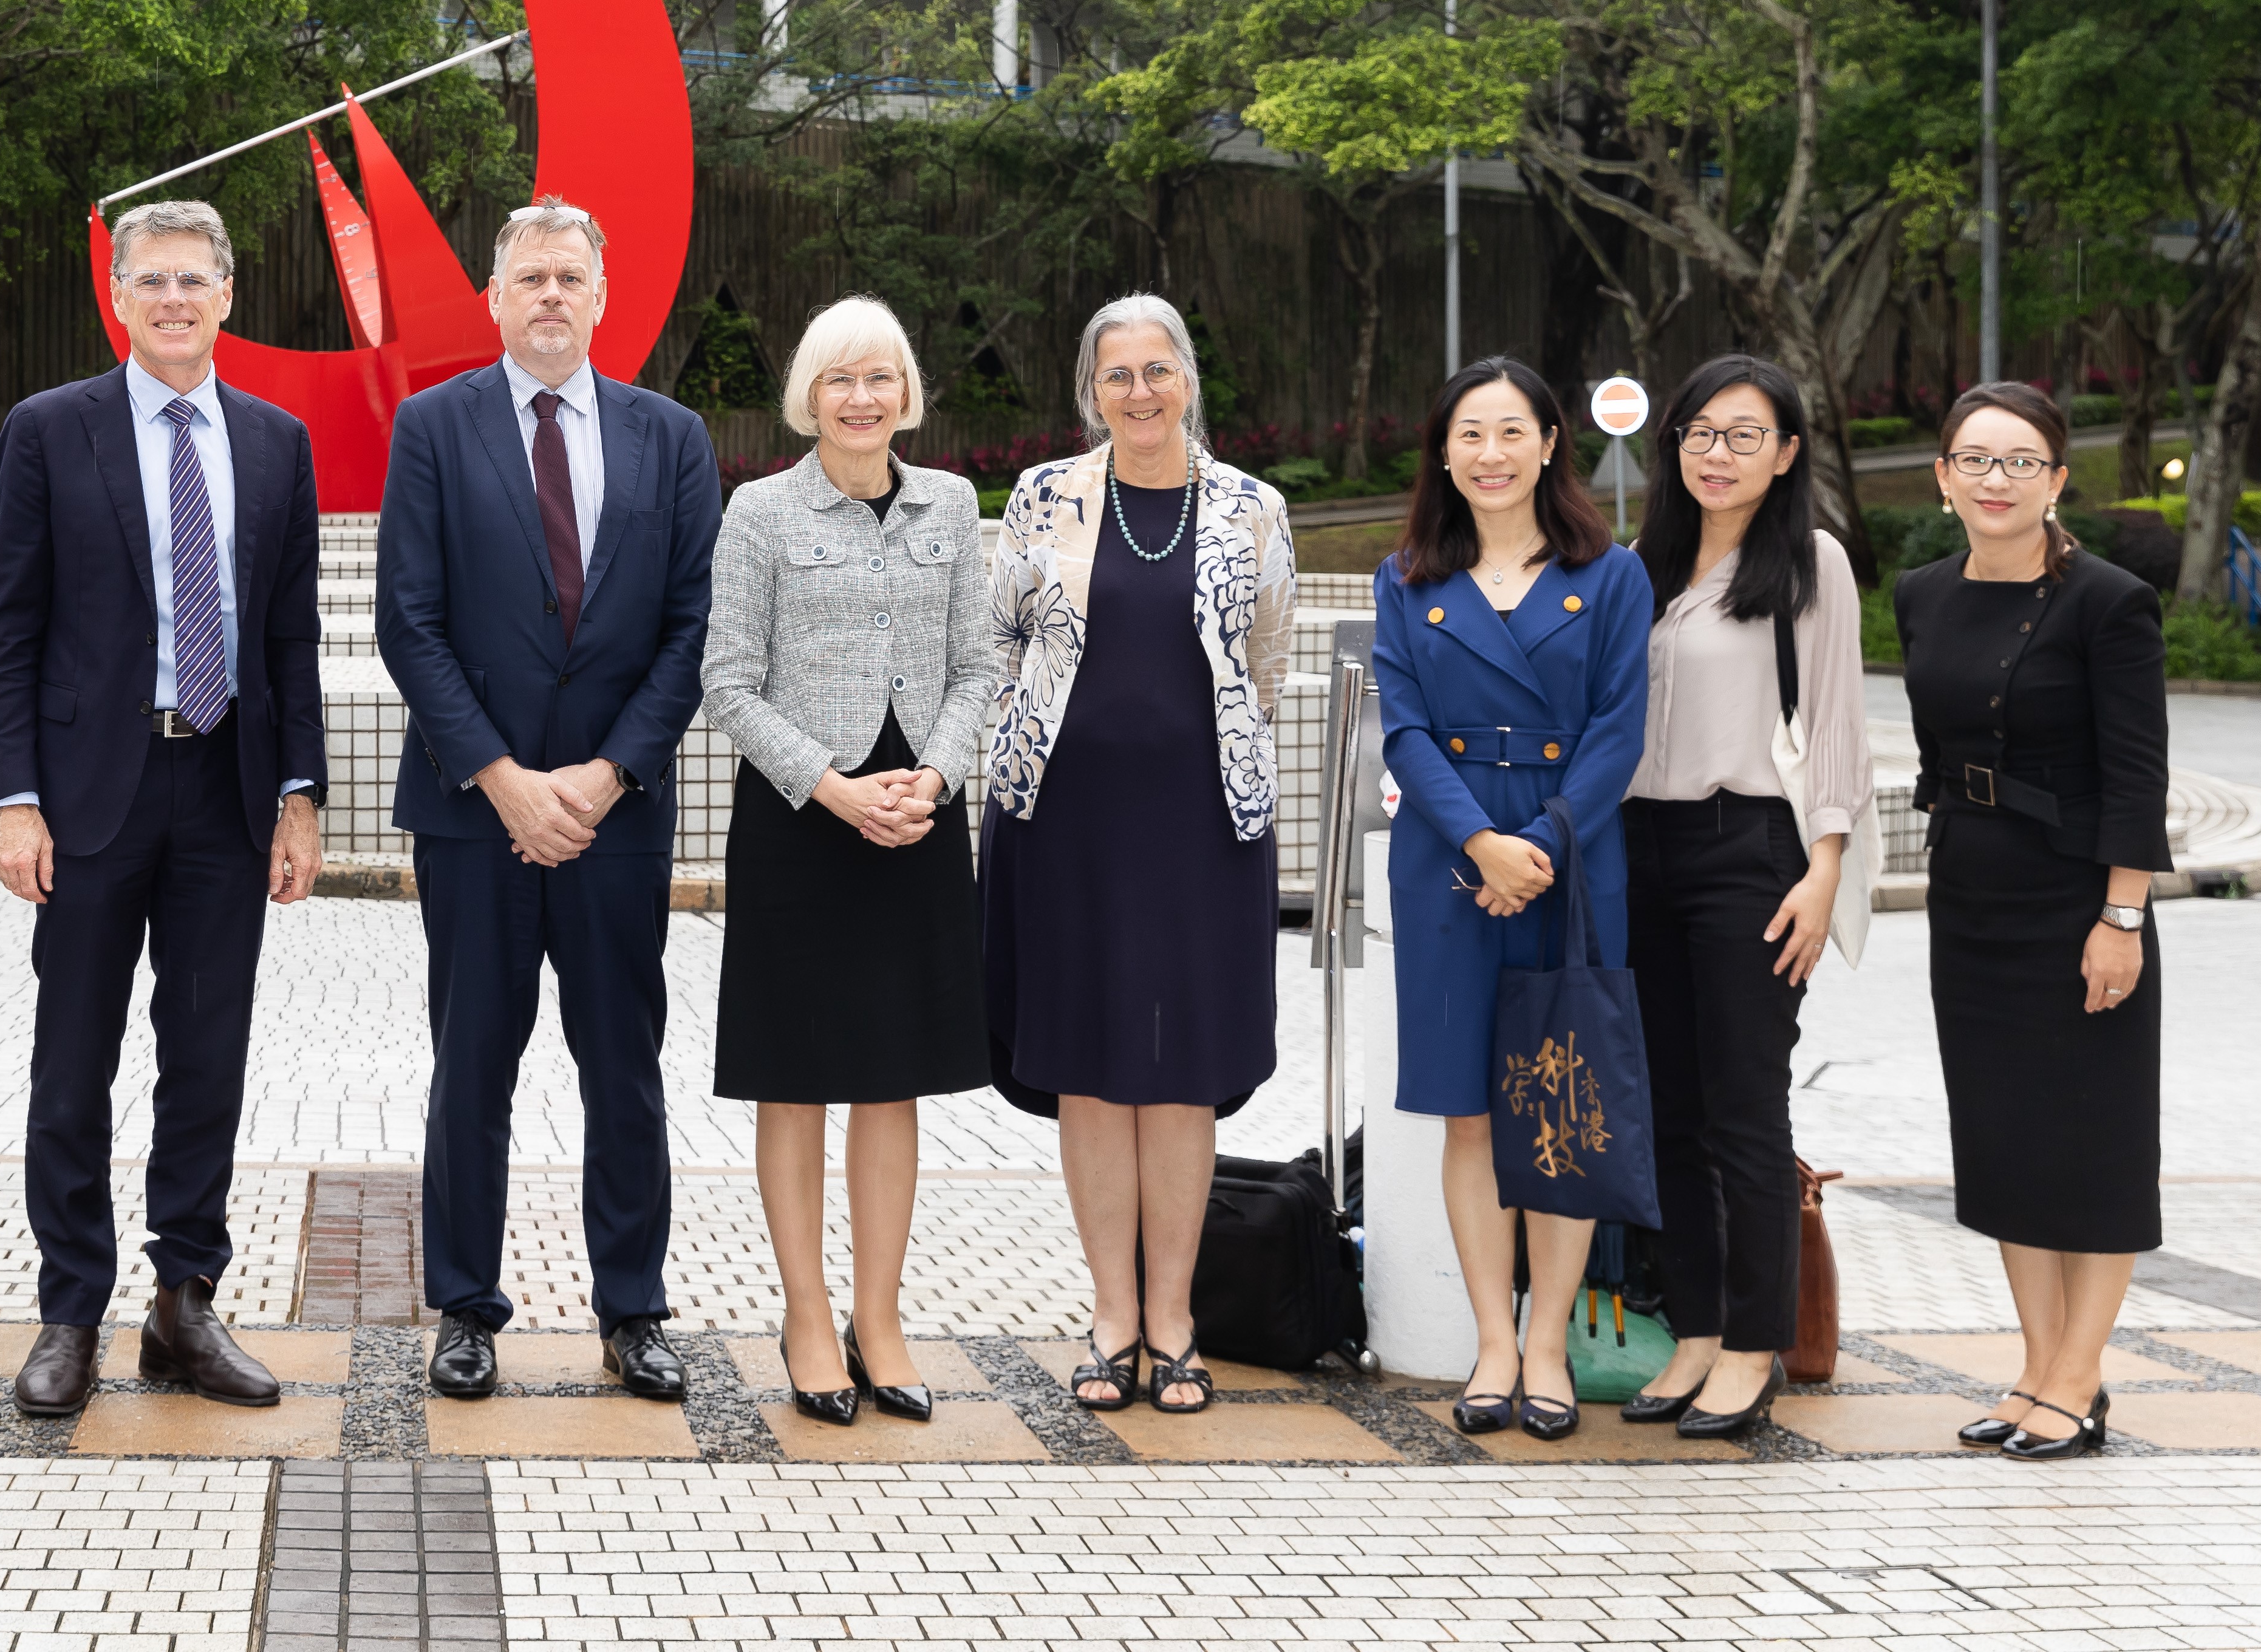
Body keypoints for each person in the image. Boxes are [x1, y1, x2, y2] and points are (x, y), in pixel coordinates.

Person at [0, 199, 329, 1421]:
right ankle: (69, 1307)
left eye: (194, 276)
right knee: (71, 1060)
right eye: (149, 278)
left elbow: (291, 632)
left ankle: (184, 1303)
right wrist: (14, 799)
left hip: (226, 784)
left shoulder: (278, 441)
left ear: (229, 292)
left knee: (206, 1058)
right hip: (85, 798)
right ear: (117, 296)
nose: (172, 296)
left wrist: (300, 793)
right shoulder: (47, 430)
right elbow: (8, 627)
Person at [377, 199, 721, 1404]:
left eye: (571, 276)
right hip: (475, 812)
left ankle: (632, 1309)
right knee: (471, 1059)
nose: (550, 296)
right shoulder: (430, 427)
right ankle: (464, 1307)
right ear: (492, 295)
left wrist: (607, 770)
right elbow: (406, 621)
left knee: (620, 1062)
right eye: (529, 276)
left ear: (602, 293)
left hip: (613, 814)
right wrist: (503, 776)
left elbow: (692, 627)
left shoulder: (670, 437)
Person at [980, 295, 1296, 1416]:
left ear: (1189, 379)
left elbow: (1264, 660)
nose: (1141, 393)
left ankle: (1176, 1319)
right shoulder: (1043, 497)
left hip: (1203, 825)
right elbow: (1002, 643)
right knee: (1090, 1068)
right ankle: (1111, 1316)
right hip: (1062, 820)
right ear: (1091, 390)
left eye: (1159, 371)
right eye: (1118, 376)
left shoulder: (1253, 509)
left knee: (1181, 1076)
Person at [701, 295, 995, 1425]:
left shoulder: (954, 506)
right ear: (809, 397)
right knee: (797, 1071)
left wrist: (936, 776)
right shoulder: (761, 513)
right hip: (800, 814)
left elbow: (978, 665)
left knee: (892, 1073)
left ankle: (882, 1317)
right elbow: (726, 680)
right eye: (840, 380)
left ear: (907, 391)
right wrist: (828, 785)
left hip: (918, 816)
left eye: (881, 378)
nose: (862, 398)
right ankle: (809, 1314)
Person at [1371, 356, 1649, 1441]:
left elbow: (1618, 732)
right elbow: (1401, 728)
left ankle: (1548, 1351)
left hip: (1572, 856)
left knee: (1562, 1102)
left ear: (1548, 445)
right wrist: (1482, 842)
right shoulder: (1409, 578)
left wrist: (1534, 845)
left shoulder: (1612, 574)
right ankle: (1493, 1340)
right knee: (1472, 1114)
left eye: (1511, 432)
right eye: (1469, 435)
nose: (1490, 454)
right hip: (1450, 857)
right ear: (1444, 452)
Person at [1897, 380, 2169, 1460]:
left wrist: (2124, 917)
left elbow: (2138, 778)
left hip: (2077, 899)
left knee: (2092, 1144)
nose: (1995, 479)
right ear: (1944, 477)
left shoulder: (2109, 601)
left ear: (2057, 479)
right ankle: (2037, 1368)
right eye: (1976, 459)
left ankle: (2080, 1375)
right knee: (2005, 1138)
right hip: (1972, 894)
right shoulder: (1922, 592)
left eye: (2020, 461)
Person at [1619, 354, 1872, 1440]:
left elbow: (1841, 727)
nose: (1717, 454)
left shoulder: (1811, 563)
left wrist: (1824, 868)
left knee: (1744, 1109)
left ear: (1787, 452)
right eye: (1698, 434)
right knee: (1668, 1107)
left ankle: (1756, 1341)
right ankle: (1696, 1329)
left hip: (1751, 849)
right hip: (1642, 846)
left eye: (1743, 435)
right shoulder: (1644, 566)